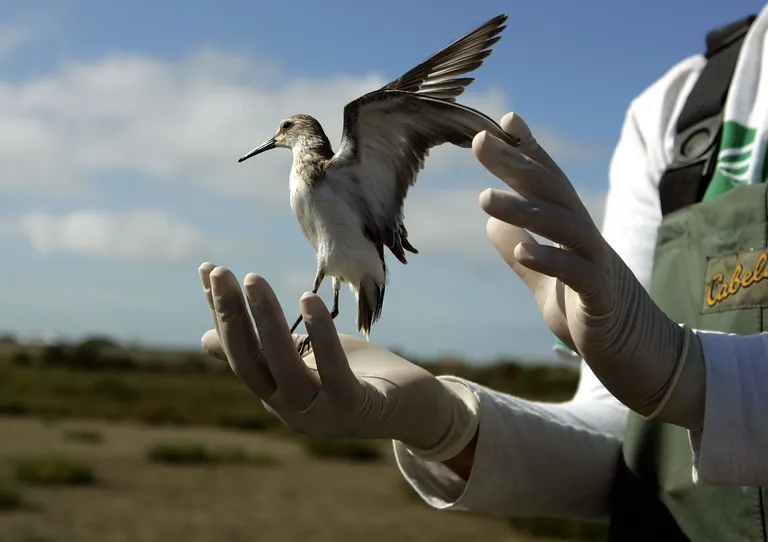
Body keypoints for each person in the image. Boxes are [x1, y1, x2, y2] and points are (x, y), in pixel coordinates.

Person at [197, 7, 768, 541]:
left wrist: (695, 380)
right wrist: (448, 425)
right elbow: (629, 445)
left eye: (281, 130)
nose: (272, 140)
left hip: (357, 256)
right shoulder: (678, 109)